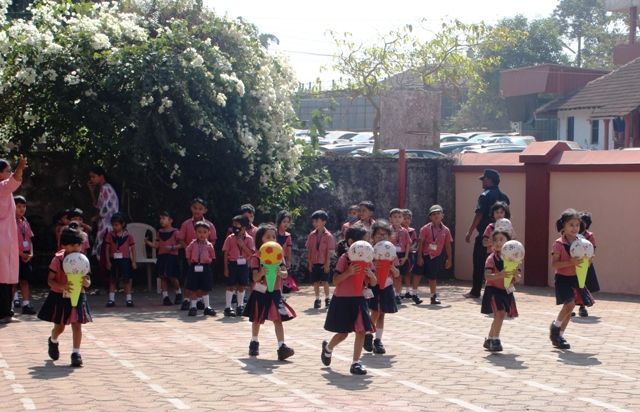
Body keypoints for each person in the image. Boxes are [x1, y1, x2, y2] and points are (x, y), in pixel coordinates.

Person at [321, 225, 377, 375]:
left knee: (361, 331)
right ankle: (328, 348)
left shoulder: (368, 258)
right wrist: (348, 272)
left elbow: (373, 283)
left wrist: (371, 276)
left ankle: (356, 363)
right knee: (343, 333)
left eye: (368, 240)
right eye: (364, 240)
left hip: (359, 300)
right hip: (342, 300)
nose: (367, 244)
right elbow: (335, 280)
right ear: (352, 242)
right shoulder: (344, 258)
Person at [38, 226, 92, 367]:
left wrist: (86, 282)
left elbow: (88, 280)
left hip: (78, 295)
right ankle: (53, 340)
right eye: (72, 245)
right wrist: (62, 286)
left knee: (77, 325)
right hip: (60, 296)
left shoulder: (82, 260)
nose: (76, 248)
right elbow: (50, 280)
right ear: (63, 245)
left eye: (78, 244)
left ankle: (76, 353)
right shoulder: (57, 260)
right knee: (60, 327)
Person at [244, 224, 296, 360]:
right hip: (260, 292)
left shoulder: (279, 254)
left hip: (275, 292)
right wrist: (261, 272)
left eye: (274, 236)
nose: (272, 239)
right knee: (257, 318)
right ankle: (254, 342)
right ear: (260, 239)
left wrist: (282, 272)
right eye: (268, 237)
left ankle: (282, 347)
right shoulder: (256, 257)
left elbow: (285, 274)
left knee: (278, 319)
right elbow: (254, 277)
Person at [550, 209, 594, 350]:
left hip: (575, 278)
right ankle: (555, 328)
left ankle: (560, 336)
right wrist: (570, 262)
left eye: (577, 225)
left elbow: (584, 262)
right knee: (569, 305)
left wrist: (589, 260)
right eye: (571, 225)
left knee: (571, 308)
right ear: (563, 226)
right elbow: (554, 264)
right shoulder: (558, 244)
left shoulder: (581, 242)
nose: (575, 228)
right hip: (562, 278)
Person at [464, 169, 510, 299]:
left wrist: (470, 231)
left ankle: (475, 291)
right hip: (502, 237)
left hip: (486, 234)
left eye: (484, 179)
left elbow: (479, 214)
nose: (482, 182)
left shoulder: (484, 195)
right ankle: (500, 288)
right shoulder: (505, 197)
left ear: (489, 180)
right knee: (499, 262)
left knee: (479, 262)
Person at [481, 230, 520, 352]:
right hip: (493, 289)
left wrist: (515, 276)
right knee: (500, 313)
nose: (498, 242)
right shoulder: (491, 259)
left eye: (501, 240)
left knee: (499, 316)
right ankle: (496, 340)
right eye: (495, 240)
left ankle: (490, 339)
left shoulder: (513, 259)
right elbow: (487, 276)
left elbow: (517, 278)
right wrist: (500, 274)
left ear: (508, 243)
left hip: (506, 290)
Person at [365, 220, 400, 355]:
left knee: (382, 313)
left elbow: (397, 273)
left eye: (384, 235)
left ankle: (377, 340)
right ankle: (368, 334)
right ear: (373, 236)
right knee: (375, 311)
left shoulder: (391, 252)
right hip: (374, 285)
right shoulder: (368, 250)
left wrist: (391, 267)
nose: (382, 238)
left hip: (387, 285)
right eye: (379, 235)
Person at [0, 155, 27, 324]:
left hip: (5, 237)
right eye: (7, 171)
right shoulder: (2, 188)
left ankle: (6, 311)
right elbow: (15, 180)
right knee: (3, 277)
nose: (10, 173)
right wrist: (20, 167)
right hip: (3, 238)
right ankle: (4, 312)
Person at [178, 198, 217, 310]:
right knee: (188, 279)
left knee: (202, 280)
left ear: (205, 210)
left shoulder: (209, 225)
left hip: (203, 260)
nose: (197, 211)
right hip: (190, 258)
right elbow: (181, 239)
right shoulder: (186, 224)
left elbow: (213, 239)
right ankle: (186, 300)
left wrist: (207, 251)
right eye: (195, 208)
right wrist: (190, 251)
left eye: (200, 209)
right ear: (191, 208)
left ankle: (200, 301)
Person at [415, 205, 453, 305]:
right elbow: (421, 243)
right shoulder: (425, 229)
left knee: (433, 277)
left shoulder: (446, 230)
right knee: (418, 274)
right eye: (433, 214)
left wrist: (449, 259)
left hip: (436, 256)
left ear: (442, 216)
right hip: (424, 255)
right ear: (430, 217)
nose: (436, 216)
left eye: (438, 213)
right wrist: (419, 257)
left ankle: (433, 297)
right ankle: (414, 293)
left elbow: (448, 245)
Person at [146, 211, 183, 306]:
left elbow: (181, 244)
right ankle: (165, 297)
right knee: (163, 276)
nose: (161, 221)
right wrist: (147, 242)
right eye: (160, 218)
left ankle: (178, 293)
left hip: (172, 257)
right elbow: (156, 245)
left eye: (164, 218)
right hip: (162, 256)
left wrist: (173, 247)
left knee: (172, 276)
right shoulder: (160, 232)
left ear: (170, 220)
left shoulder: (176, 232)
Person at [222, 215, 255, 317]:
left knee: (242, 285)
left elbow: (251, 253)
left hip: (244, 265)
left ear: (244, 227)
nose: (235, 227)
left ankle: (240, 306)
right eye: (234, 225)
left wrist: (242, 245)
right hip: (232, 264)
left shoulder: (249, 239)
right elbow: (225, 254)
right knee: (230, 285)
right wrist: (226, 268)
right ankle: (228, 307)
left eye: (237, 224)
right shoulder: (230, 238)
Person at [184, 221, 216, 317]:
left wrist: (208, 261)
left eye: (204, 232)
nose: (202, 234)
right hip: (194, 267)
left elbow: (212, 256)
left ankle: (207, 307)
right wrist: (190, 262)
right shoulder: (192, 244)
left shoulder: (209, 245)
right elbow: (187, 253)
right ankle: (193, 307)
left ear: (208, 233)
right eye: (199, 232)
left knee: (205, 288)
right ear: (195, 232)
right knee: (193, 288)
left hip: (205, 267)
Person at [105, 213, 137, 307]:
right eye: (113, 225)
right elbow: (107, 249)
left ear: (122, 224)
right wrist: (108, 261)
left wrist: (134, 261)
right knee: (113, 279)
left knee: (127, 279)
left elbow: (133, 249)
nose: (114, 227)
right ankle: (111, 299)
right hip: (113, 259)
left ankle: (129, 299)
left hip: (125, 260)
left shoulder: (129, 236)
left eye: (117, 225)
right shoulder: (110, 235)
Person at [87, 166, 119, 261]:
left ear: (101, 176)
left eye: (94, 176)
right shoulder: (103, 188)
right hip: (104, 225)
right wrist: (92, 191)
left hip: (108, 226)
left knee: (105, 255)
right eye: (90, 177)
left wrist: (96, 217)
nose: (91, 179)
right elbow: (98, 205)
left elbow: (106, 208)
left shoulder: (106, 188)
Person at [305, 210, 335, 309]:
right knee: (316, 282)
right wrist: (309, 262)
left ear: (324, 222)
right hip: (314, 262)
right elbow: (309, 249)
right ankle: (317, 299)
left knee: (325, 281)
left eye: (317, 221)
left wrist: (327, 264)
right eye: (313, 221)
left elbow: (330, 252)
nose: (314, 223)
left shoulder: (329, 236)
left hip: (323, 262)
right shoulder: (311, 235)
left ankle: (327, 298)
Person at [14, 195, 36, 314]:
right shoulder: (9, 222)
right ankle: (12, 302)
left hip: (26, 255)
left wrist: (31, 253)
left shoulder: (25, 221)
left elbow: (30, 239)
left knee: (25, 280)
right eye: (18, 206)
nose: (22, 209)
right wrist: (20, 254)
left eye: (24, 206)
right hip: (14, 254)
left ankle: (26, 304)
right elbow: (8, 242)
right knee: (13, 280)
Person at [578, 211, 599, 318]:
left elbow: (592, 249)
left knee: (583, 286)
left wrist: (589, 260)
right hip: (573, 264)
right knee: (571, 286)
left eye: (584, 222)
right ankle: (570, 306)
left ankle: (582, 307)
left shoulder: (589, 236)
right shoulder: (571, 235)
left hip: (585, 264)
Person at [389, 208, 411, 304]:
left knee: (399, 276)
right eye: (394, 217)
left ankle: (397, 295)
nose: (397, 219)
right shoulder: (388, 230)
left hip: (402, 255)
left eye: (399, 217)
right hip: (391, 255)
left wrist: (406, 257)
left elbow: (408, 245)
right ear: (390, 219)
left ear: (402, 219)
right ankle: (391, 294)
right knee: (392, 276)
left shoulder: (405, 231)